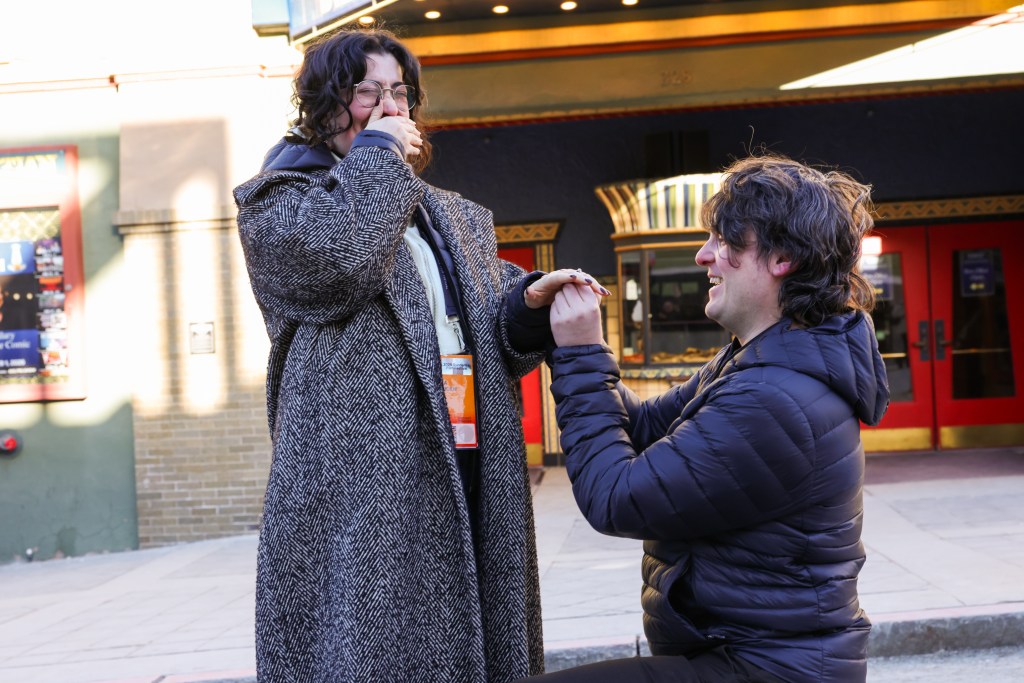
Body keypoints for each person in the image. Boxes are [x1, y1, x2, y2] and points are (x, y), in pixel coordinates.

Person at [233, 27, 606, 683]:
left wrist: (527, 303)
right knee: (376, 647)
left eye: (399, 93)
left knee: (471, 638)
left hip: (466, 455)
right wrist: (378, 152)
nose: (388, 107)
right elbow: (340, 262)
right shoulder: (281, 201)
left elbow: (481, 318)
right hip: (363, 485)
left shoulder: (444, 214)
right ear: (322, 103)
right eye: (366, 92)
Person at [528, 154, 890, 682]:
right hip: (739, 655)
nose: (703, 256)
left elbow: (617, 498)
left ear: (783, 257)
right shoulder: (759, 361)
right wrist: (563, 340)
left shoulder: (775, 398)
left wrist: (582, 354)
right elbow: (642, 427)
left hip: (766, 668)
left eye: (724, 241)